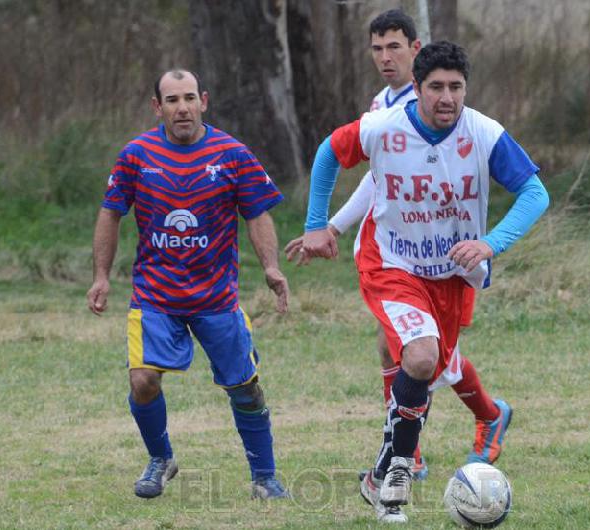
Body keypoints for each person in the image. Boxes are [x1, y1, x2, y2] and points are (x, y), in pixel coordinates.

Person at [299, 42, 549, 523]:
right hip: (392, 264)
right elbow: (330, 152)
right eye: (436, 87)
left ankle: (380, 475)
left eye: (456, 87)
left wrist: (490, 243)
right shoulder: (383, 129)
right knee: (420, 355)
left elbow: (534, 194)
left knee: (425, 372)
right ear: (416, 89)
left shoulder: (484, 133)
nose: (447, 97)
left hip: (452, 277)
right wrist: (317, 223)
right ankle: (395, 482)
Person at [285, 8, 488, 492]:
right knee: (406, 349)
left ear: (415, 51)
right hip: (393, 255)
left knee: (429, 355)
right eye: (376, 49)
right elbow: (376, 181)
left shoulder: (443, 107)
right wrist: (329, 225)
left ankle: (487, 413)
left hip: (446, 258)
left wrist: (329, 224)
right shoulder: (383, 107)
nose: (384, 57)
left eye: (394, 47)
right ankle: (403, 456)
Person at [86, 69, 291, 501]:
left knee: (244, 386)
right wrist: (101, 276)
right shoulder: (136, 155)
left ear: (204, 101)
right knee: (142, 381)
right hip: (156, 295)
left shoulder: (232, 154)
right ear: (157, 107)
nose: (182, 107)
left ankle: (264, 477)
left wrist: (270, 268)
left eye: (189, 98)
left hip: (217, 297)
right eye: (172, 100)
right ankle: (161, 459)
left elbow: (257, 213)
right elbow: (110, 212)